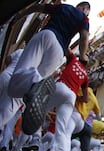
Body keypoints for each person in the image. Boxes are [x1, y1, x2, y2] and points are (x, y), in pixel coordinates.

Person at [9, 2, 91, 135]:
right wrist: (83, 54)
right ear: (85, 9)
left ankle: (35, 81)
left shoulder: (62, 7)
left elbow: (37, 8)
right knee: (21, 91)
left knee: (14, 85)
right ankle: (37, 83)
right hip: (58, 51)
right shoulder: (84, 18)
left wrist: (19, 15)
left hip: (47, 34)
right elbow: (84, 36)